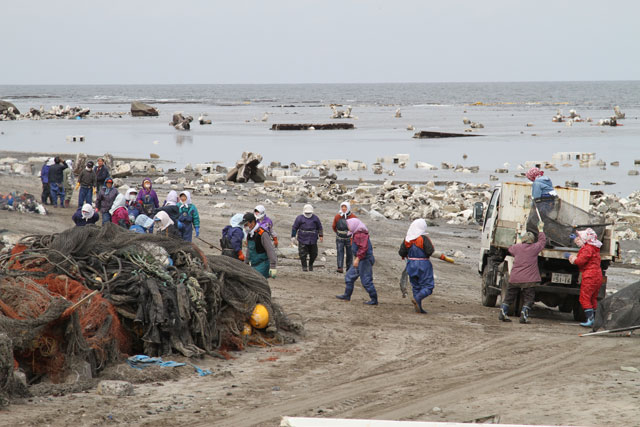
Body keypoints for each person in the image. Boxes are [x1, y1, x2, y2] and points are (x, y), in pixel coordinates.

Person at [498, 221, 546, 323]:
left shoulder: (516, 248)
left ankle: (503, 312)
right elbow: (542, 242)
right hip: (529, 280)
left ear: (523, 240)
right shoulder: (535, 248)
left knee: (509, 296)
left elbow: (510, 249)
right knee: (529, 298)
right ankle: (524, 315)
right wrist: (541, 230)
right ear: (532, 240)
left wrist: (519, 241)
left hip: (515, 278)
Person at [336, 218, 377, 305]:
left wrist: (357, 259)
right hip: (360, 259)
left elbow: (363, 248)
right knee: (349, 277)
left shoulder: (361, 234)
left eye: (348, 226)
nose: (348, 228)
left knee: (366, 281)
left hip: (364, 260)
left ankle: (374, 300)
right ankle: (347, 296)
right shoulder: (356, 232)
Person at [398, 219, 435, 314]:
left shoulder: (407, 239)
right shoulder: (423, 238)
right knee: (428, 287)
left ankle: (418, 307)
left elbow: (401, 252)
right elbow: (430, 251)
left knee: (416, 286)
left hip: (411, 264)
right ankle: (417, 298)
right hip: (423, 264)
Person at [568, 228, 604, 328]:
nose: (579, 238)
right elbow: (583, 245)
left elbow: (580, 261)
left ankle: (590, 319)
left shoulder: (588, 249)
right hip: (597, 275)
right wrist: (576, 239)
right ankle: (596, 319)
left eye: (580, 237)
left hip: (590, 276)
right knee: (593, 298)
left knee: (584, 298)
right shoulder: (594, 247)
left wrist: (571, 257)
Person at [242, 212, 277, 279]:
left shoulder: (263, 234)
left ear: (252, 222)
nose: (245, 227)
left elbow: (270, 250)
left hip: (263, 265)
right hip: (253, 265)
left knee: (258, 283)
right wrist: (245, 263)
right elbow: (249, 250)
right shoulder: (250, 235)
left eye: (246, 224)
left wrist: (273, 266)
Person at [291, 204, 323, 271]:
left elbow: (320, 227)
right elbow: (294, 227)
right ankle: (304, 266)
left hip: (313, 238)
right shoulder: (299, 218)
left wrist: (321, 236)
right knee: (302, 254)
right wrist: (293, 236)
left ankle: (311, 264)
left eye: (309, 213)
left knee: (314, 253)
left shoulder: (315, 218)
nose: (308, 214)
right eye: (307, 213)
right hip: (302, 238)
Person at [332, 201, 357, 273]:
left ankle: (349, 268)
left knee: (349, 253)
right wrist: (338, 233)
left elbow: (356, 227)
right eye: (342, 207)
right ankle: (340, 267)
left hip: (350, 238)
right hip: (339, 238)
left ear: (348, 207)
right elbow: (334, 226)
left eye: (345, 207)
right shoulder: (337, 216)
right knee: (340, 252)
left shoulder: (353, 217)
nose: (343, 208)